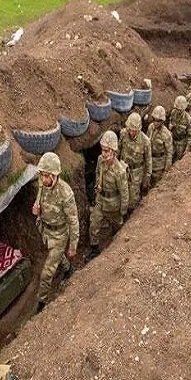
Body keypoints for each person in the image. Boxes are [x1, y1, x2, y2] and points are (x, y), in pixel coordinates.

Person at [32, 152, 79, 313]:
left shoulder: (65, 194)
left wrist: (73, 245)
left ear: (55, 175)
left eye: (47, 176)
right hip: (45, 230)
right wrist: (36, 209)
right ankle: (67, 268)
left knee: (46, 273)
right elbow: (40, 199)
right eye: (42, 175)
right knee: (58, 257)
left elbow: (73, 221)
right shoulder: (42, 184)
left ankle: (42, 302)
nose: (43, 179)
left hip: (60, 235)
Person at [88, 131, 129, 261]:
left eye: (106, 151)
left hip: (113, 205)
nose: (103, 153)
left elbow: (124, 192)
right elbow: (97, 175)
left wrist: (123, 210)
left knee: (118, 227)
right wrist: (97, 187)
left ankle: (116, 247)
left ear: (113, 151)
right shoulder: (100, 160)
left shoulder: (119, 171)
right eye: (102, 150)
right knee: (94, 224)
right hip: (101, 201)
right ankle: (94, 249)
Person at [118, 112, 151, 212]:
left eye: (134, 130)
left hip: (136, 174)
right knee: (121, 195)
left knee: (133, 200)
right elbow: (118, 150)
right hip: (123, 170)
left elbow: (148, 161)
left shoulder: (145, 142)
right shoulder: (123, 133)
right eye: (130, 129)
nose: (131, 133)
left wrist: (146, 179)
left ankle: (130, 218)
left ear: (139, 129)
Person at [147, 106, 173, 186]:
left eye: (158, 121)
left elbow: (169, 153)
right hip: (149, 162)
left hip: (159, 166)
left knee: (155, 186)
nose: (155, 122)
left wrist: (166, 170)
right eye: (154, 119)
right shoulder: (150, 127)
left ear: (162, 121)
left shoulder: (166, 134)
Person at [168, 96, 191, 162]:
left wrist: (187, 150)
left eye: (179, 109)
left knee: (178, 161)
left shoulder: (188, 119)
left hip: (182, 144)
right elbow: (170, 122)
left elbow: (190, 137)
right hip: (173, 141)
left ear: (184, 108)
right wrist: (170, 127)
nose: (177, 110)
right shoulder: (173, 113)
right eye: (176, 108)